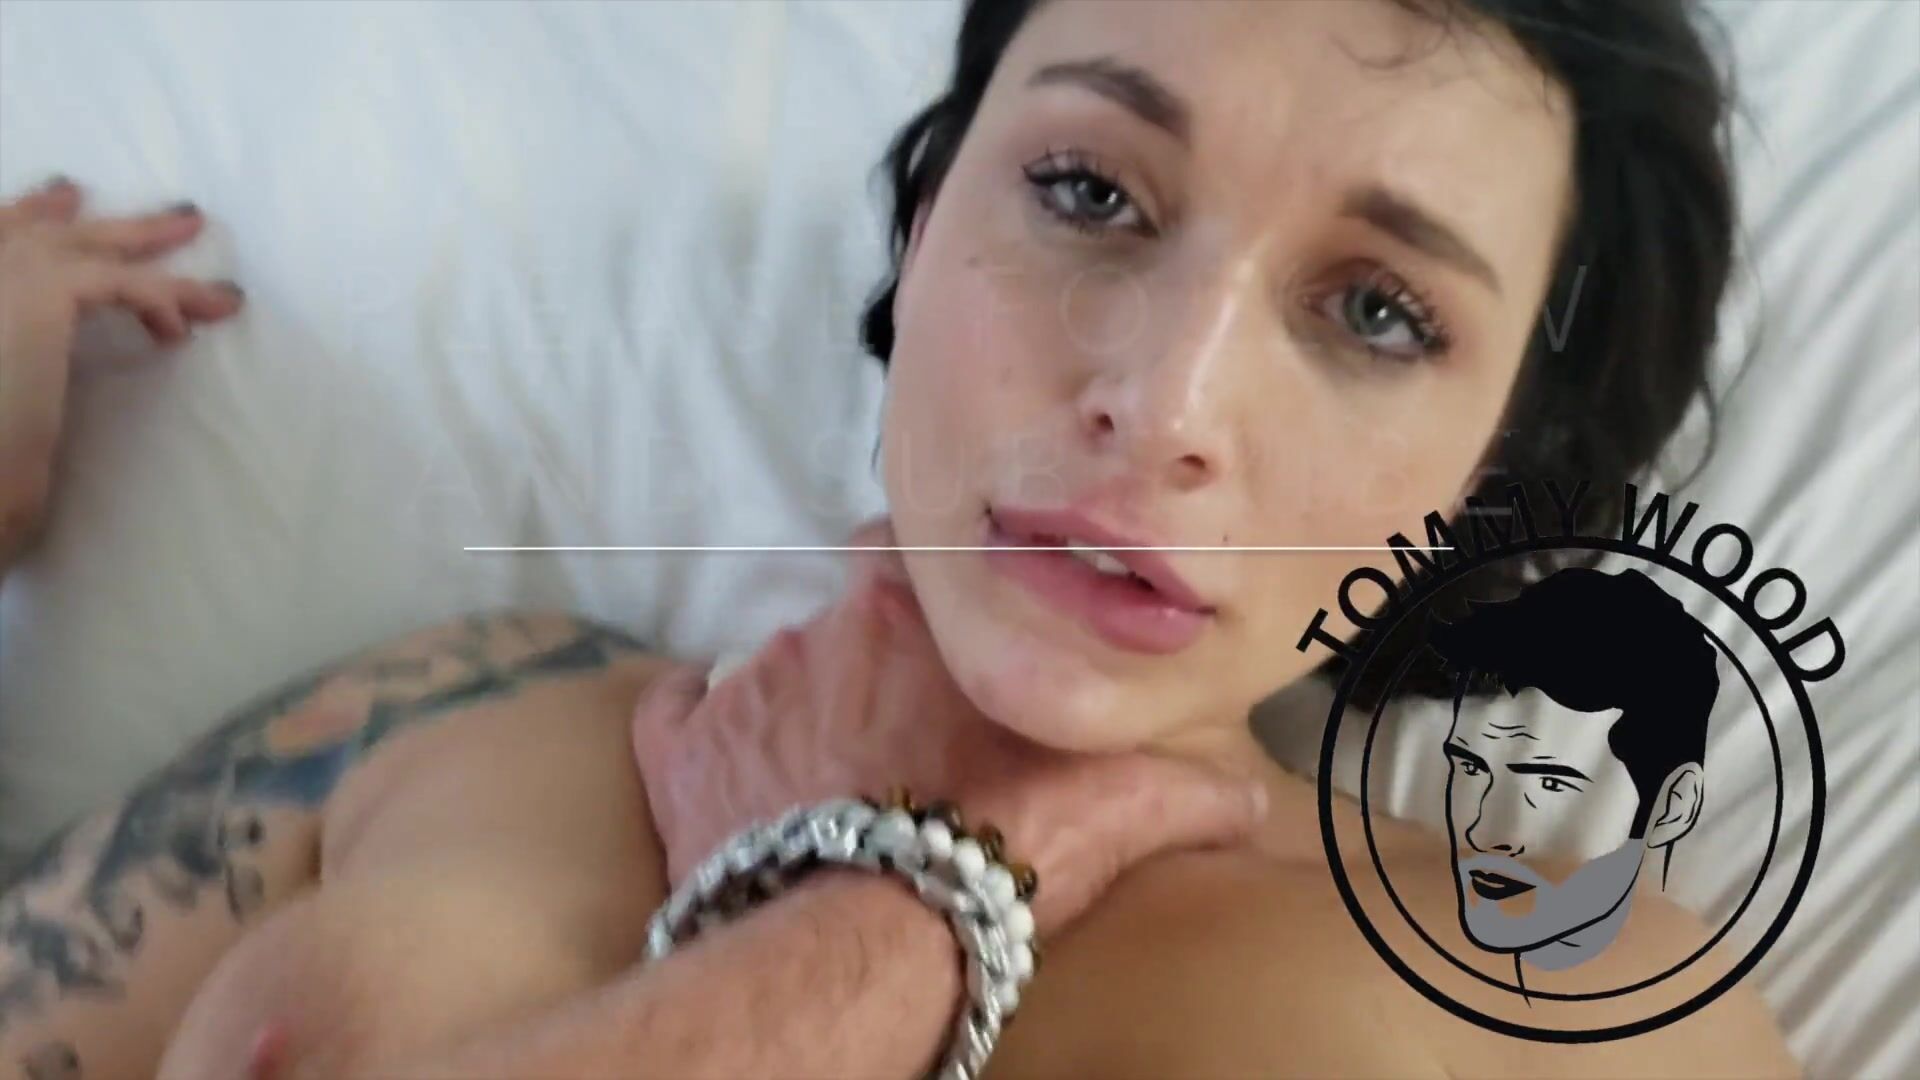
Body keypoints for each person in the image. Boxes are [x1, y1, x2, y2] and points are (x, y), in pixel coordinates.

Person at [0, 0, 1802, 1076]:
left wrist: (884, 916)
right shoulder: (456, 718)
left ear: (1485, 482)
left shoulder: (1570, 997)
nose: (1164, 401)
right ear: (928, 226)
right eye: (1088, 191)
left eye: (1379, 314)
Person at [1427, 567, 1720, 974]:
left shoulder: (1688, 980)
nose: (1479, 835)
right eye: (1471, 767)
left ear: (1673, 807)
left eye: (1551, 782)